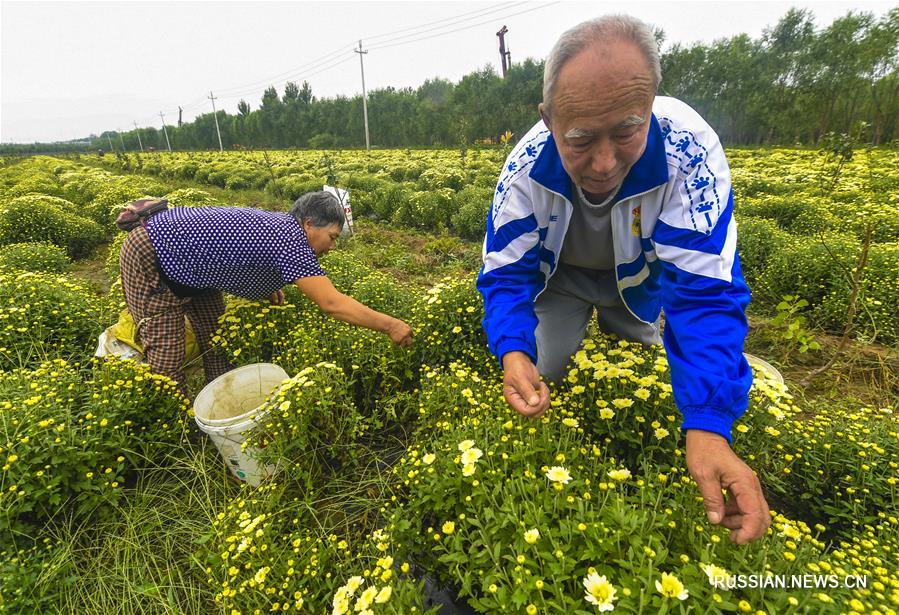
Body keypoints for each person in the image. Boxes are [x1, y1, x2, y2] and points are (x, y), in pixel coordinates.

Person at [476, 15, 770, 544]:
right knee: (542, 368)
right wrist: (512, 350)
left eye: (628, 130)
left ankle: (645, 448)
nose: (604, 163)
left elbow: (704, 294)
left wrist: (707, 423)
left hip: (636, 281)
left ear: (653, 102)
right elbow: (505, 273)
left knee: (640, 362)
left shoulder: (691, 154)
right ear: (548, 119)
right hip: (561, 280)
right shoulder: (523, 171)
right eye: (581, 138)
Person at [119, 191, 413, 393]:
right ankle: (174, 431)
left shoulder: (285, 231)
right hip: (151, 252)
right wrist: (392, 325)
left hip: (192, 266)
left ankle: (220, 403)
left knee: (217, 337)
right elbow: (332, 303)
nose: (332, 247)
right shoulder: (291, 241)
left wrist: (266, 286)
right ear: (309, 224)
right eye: (332, 237)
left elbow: (245, 256)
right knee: (167, 352)